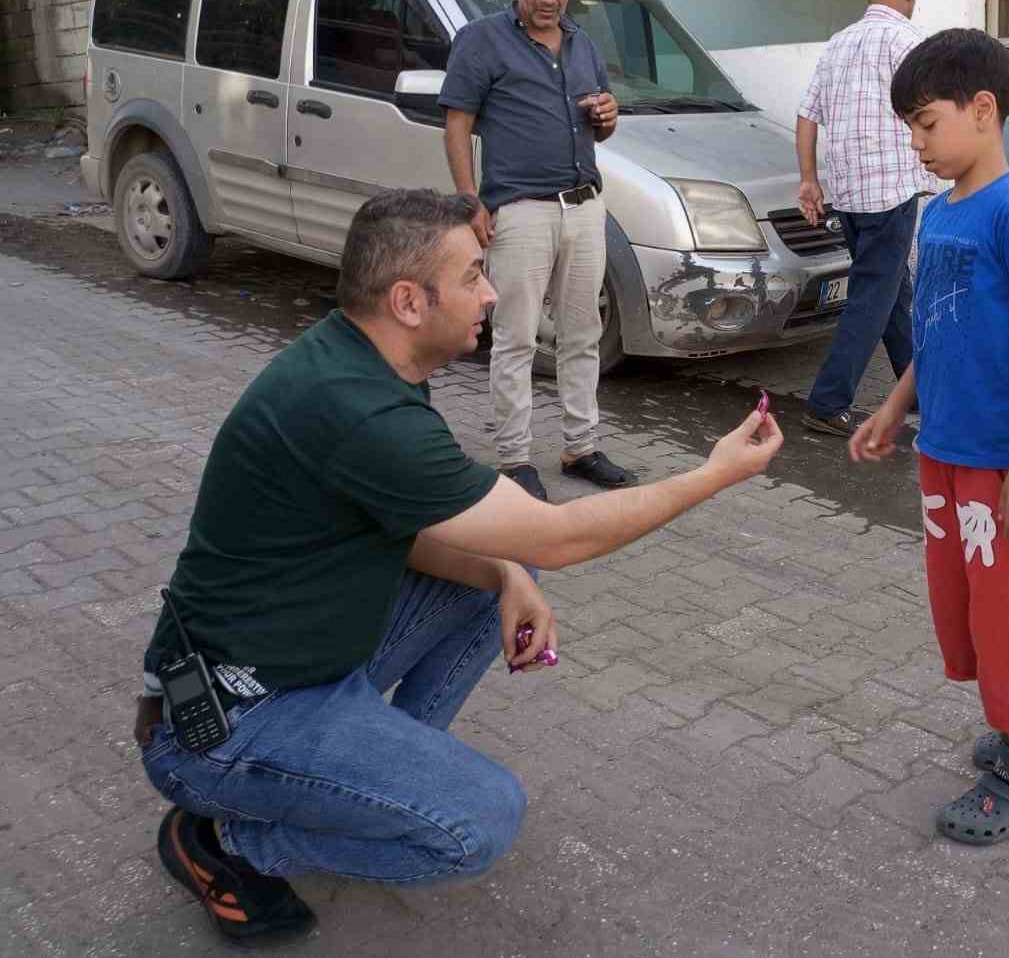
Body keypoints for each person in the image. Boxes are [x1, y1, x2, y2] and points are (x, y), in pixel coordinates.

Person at [134, 189, 783, 946]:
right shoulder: (359, 410)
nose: (492, 291)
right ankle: (228, 844)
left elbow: (412, 529)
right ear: (409, 301)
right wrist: (712, 476)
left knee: (494, 573)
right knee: (478, 822)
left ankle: (359, 787)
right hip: (222, 724)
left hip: (295, 668)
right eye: (475, 274)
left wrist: (507, 577)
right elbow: (561, 535)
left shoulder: (365, 362)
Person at [850, 29, 1009, 846]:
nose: (916, 145)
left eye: (925, 124)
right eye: (910, 129)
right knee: (972, 600)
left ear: (982, 111)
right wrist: (894, 407)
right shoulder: (941, 210)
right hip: (943, 450)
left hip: (1002, 460)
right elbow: (936, 330)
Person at [441, 0, 635, 500]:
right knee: (517, 338)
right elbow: (457, 124)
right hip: (520, 211)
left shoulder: (582, 44)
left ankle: (581, 447)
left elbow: (601, 124)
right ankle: (515, 458)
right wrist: (468, 199)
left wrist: (608, 114)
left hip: (583, 205)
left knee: (582, 334)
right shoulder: (481, 42)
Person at [795, 0, 937, 437]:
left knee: (894, 289)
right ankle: (827, 401)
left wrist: (809, 180)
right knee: (873, 298)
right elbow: (933, 111)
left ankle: (918, 389)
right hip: (891, 190)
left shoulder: (837, 44)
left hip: (848, 192)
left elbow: (806, 115)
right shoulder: (909, 42)